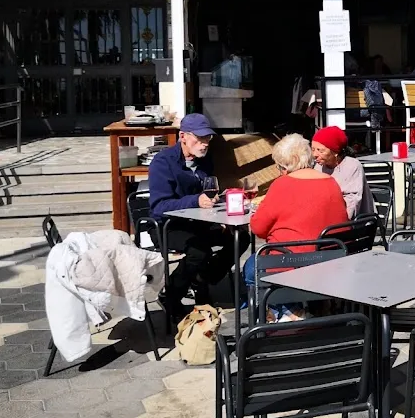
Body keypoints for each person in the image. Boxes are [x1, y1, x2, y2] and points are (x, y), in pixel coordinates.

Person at [148, 113, 245, 322]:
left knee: (240, 238)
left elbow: (207, 193)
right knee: (198, 250)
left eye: (207, 139)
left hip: (198, 223)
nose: (204, 144)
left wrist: (218, 205)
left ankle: (202, 277)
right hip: (167, 226)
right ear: (183, 136)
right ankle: (170, 296)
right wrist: (195, 200)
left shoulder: (204, 161)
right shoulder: (163, 162)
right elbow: (158, 207)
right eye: (199, 139)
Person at [243, 134, 349, 320]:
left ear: (284, 167)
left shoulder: (282, 185)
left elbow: (258, 228)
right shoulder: (331, 182)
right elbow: (343, 223)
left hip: (290, 265)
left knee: (251, 268)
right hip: (330, 261)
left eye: (279, 167)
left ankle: (288, 311)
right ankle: (315, 306)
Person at [311, 126, 374, 219]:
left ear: (335, 152)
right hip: (324, 220)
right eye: (313, 149)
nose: (315, 155)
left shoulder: (352, 166)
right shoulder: (318, 167)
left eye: (320, 150)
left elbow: (352, 202)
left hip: (355, 223)